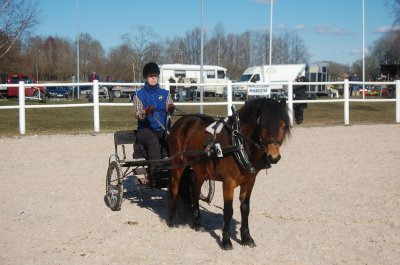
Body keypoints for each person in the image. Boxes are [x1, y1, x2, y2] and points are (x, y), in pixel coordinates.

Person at [132, 62, 175, 188]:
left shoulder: (165, 94)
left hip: (162, 128)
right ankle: (155, 173)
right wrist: (145, 112)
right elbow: (137, 114)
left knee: (174, 138)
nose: (153, 78)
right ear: (146, 77)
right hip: (145, 130)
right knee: (153, 140)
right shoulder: (139, 95)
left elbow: (170, 106)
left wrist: (171, 108)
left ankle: (175, 169)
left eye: (155, 76)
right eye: (151, 76)